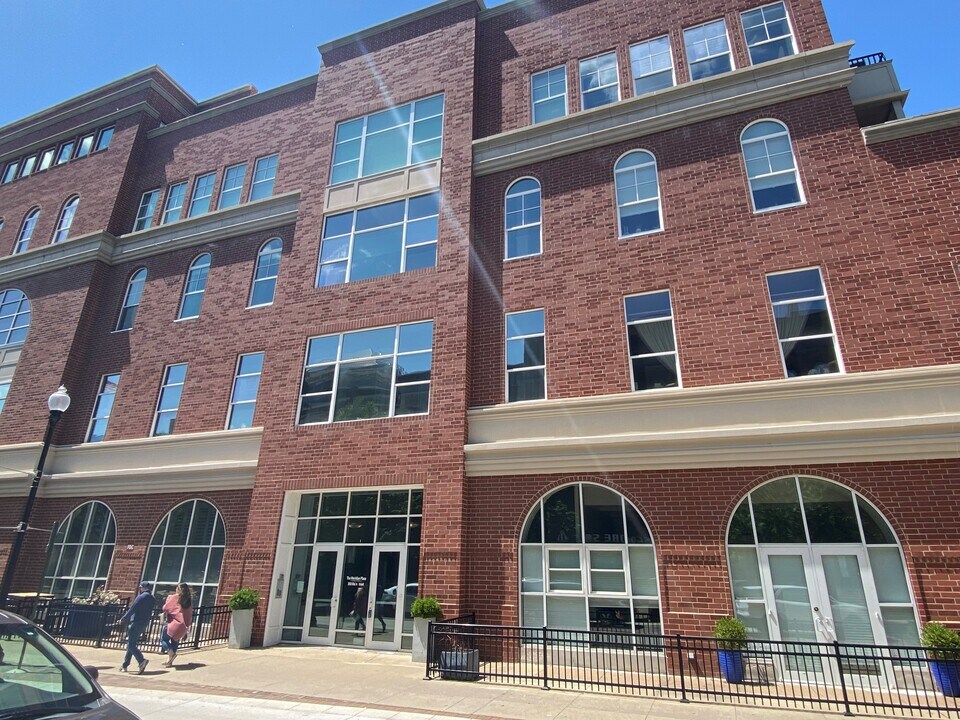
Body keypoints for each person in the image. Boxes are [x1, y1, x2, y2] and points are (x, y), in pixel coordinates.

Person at [118, 580, 155, 674]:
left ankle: (141, 660)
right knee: (131, 643)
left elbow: (133, 609)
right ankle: (125, 665)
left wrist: (124, 618)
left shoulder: (141, 597)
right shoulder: (152, 598)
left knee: (131, 645)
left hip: (136, 622)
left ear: (142, 587)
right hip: (144, 623)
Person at [160, 583, 193, 667]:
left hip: (172, 623)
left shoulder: (174, 597)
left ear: (179, 589)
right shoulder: (188, 600)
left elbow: (165, 608)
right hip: (182, 626)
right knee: (175, 642)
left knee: (164, 640)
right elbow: (189, 614)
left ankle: (171, 653)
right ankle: (170, 661)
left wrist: (168, 599)